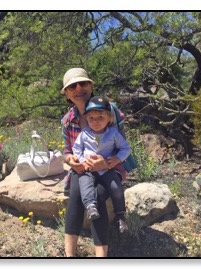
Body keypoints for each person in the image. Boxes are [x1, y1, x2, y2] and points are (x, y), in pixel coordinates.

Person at [61, 67, 128, 257]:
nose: (78, 88)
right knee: (76, 194)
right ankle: (69, 255)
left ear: (91, 86)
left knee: (97, 197)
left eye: (83, 83)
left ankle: (101, 256)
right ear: (67, 94)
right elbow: (68, 150)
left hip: (108, 169)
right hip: (83, 169)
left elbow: (122, 146)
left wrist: (105, 164)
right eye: (72, 86)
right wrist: (71, 160)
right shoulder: (67, 120)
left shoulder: (112, 112)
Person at [72, 96, 130, 233]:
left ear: (109, 118)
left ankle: (120, 216)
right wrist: (82, 161)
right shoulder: (84, 133)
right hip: (89, 168)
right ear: (86, 119)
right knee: (85, 184)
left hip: (106, 168)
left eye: (100, 117)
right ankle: (91, 206)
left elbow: (125, 148)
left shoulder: (112, 133)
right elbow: (76, 149)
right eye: (91, 118)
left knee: (116, 187)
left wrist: (117, 158)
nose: (95, 121)